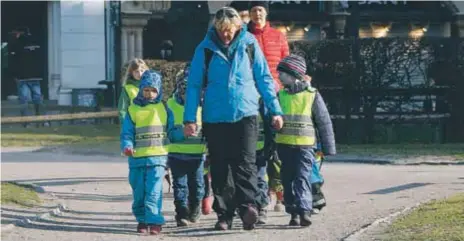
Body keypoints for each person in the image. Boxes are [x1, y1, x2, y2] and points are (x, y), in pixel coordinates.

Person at [183, 7, 283, 231]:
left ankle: (248, 206)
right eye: (221, 30)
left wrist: (275, 109)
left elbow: (264, 78)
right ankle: (224, 214)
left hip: (245, 113)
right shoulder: (205, 49)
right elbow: (194, 86)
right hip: (215, 116)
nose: (226, 35)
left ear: (238, 27)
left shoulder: (249, 44)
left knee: (246, 162)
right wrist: (190, 118)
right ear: (216, 28)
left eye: (229, 30)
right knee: (220, 166)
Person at [275, 54, 336, 227]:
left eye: (282, 73)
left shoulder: (312, 95)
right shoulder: (280, 96)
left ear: (293, 74)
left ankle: (304, 210)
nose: (279, 76)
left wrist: (328, 147)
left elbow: (323, 121)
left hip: (306, 146)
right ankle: (293, 211)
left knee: (302, 177)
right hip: (284, 145)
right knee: (287, 179)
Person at [120, 70, 183, 235]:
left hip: (158, 159)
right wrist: (127, 145)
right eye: (146, 90)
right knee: (139, 192)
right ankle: (142, 220)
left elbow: (171, 133)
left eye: (153, 90)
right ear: (141, 89)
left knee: (154, 191)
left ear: (159, 90)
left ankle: (154, 221)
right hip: (136, 159)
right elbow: (127, 133)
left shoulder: (164, 108)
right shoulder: (133, 110)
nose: (149, 94)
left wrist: (183, 133)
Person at [248, 0, 290, 212]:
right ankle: (258, 192)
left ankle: (279, 191)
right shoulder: (244, 36)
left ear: (266, 13)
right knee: (257, 146)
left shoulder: (278, 36)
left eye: (260, 10)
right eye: (254, 10)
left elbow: (286, 64)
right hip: (252, 97)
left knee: (275, 145)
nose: (257, 14)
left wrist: (281, 85)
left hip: (275, 95)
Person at [167, 65, 207, 227]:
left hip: (197, 155)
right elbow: (168, 133)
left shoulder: (204, 106)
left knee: (198, 187)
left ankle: (195, 209)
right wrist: (182, 133)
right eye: (184, 92)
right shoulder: (170, 105)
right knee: (180, 187)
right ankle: (181, 214)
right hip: (176, 155)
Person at [9, 27, 46, 127]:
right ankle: (41, 121)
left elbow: (14, 62)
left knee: (24, 100)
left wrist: (14, 75)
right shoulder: (37, 43)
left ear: (18, 33)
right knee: (38, 99)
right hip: (35, 76)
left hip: (22, 77)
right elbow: (42, 59)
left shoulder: (16, 44)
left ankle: (26, 122)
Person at [118, 58, 149, 124]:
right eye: (136, 71)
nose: (140, 74)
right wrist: (126, 125)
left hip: (149, 123)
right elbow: (122, 110)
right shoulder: (127, 88)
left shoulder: (151, 87)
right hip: (134, 123)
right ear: (131, 73)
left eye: (142, 70)